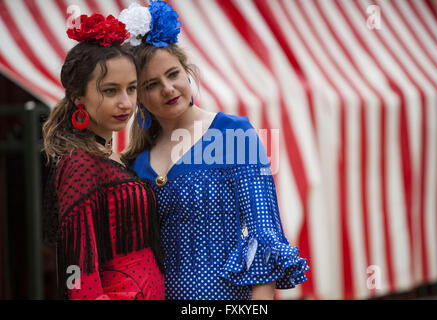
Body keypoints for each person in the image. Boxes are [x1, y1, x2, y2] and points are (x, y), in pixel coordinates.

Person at [120, 1, 309, 300]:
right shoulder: (135, 162)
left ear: (187, 72)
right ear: (138, 96)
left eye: (173, 74)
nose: (168, 88)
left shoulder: (233, 134)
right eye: (152, 84)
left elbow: (263, 237)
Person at [42, 13, 164, 300]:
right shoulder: (79, 164)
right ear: (77, 96)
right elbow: (78, 272)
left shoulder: (114, 157)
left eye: (132, 89)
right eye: (110, 91)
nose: (126, 102)